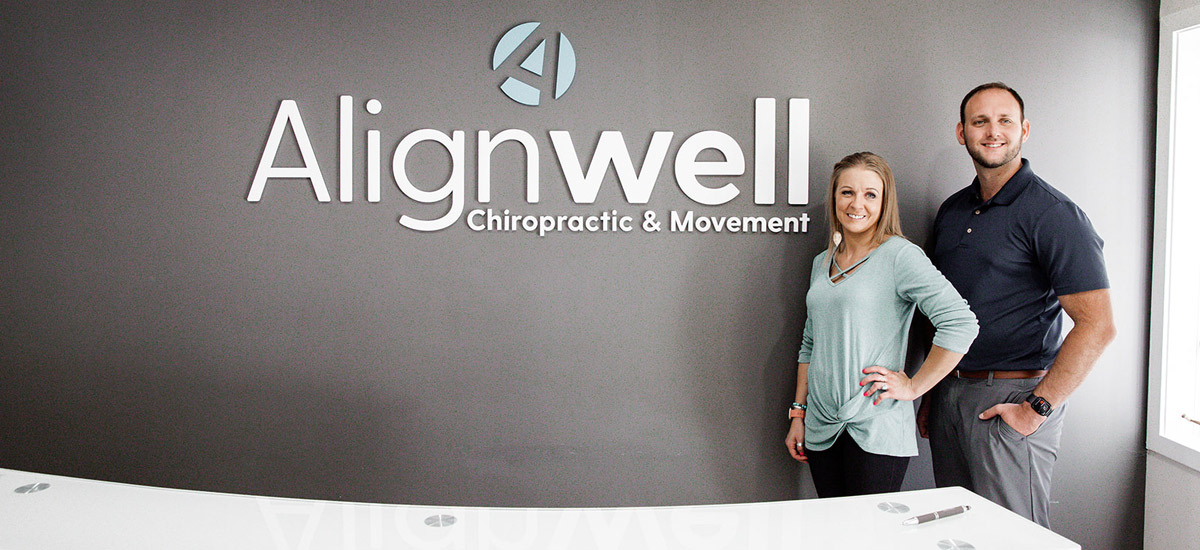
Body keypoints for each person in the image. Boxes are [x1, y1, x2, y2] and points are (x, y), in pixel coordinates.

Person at [919, 82, 1117, 527]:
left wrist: (1037, 409)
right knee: (958, 534)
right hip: (950, 394)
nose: (993, 131)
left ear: (1024, 129)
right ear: (961, 132)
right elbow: (943, 313)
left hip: (1012, 396)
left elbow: (1097, 325)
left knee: (1013, 537)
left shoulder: (1054, 214)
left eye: (1005, 120)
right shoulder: (952, 211)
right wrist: (934, 389)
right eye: (980, 121)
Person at [785, 152, 978, 497]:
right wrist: (798, 414)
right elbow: (810, 343)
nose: (857, 203)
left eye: (870, 194)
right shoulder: (821, 262)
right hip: (820, 427)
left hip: (876, 427)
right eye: (847, 192)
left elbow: (960, 323)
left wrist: (914, 387)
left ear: (885, 201)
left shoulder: (899, 256)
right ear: (834, 197)